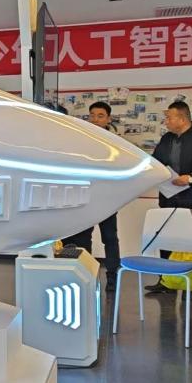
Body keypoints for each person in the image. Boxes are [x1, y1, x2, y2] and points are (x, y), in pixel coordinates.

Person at [145, 100, 192, 294]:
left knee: (189, 241)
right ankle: (165, 280)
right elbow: (157, 161)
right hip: (168, 197)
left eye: (169, 118)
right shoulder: (166, 139)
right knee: (165, 238)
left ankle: (189, 283)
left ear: (182, 118)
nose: (166, 121)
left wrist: (190, 178)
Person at [63, 101, 121, 291]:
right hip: (86, 197)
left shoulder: (117, 143)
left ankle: (113, 276)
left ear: (108, 119)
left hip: (108, 198)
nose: (95, 119)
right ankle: (85, 275)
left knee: (109, 238)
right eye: (92, 115)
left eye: (100, 116)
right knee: (82, 237)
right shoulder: (82, 141)